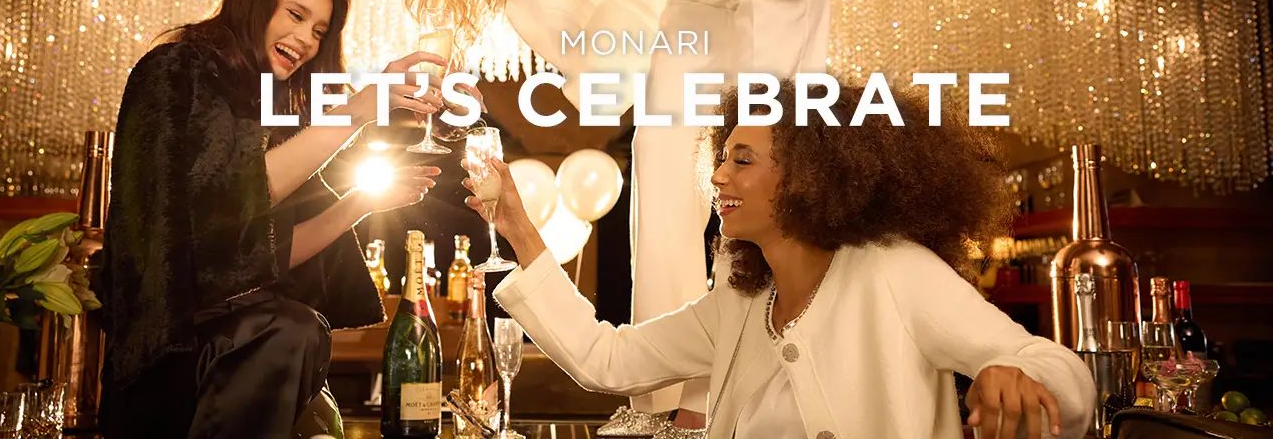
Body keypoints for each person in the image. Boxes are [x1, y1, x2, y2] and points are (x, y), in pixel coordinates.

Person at [391, 0, 926, 431]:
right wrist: (437, 75)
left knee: (754, 158)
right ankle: (673, 396)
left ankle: (727, 389)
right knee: (660, 154)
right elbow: (467, 21)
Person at [462, 78, 1097, 439]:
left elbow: (1060, 372)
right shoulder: (741, 301)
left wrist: (1019, 376)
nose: (719, 177)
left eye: (743, 161)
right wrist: (519, 229)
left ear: (815, 178)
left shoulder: (894, 273)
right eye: (721, 158)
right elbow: (607, 360)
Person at [97, 0, 453, 438]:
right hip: (169, 357)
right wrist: (356, 111)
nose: (306, 39)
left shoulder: (272, 112)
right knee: (288, 330)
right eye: (296, 15)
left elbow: (267, 253)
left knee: (299, 335)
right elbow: (223, 201)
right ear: (254, 4)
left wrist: (360, 204)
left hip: (245, 352)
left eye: (319, 31)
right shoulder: (177, 70)